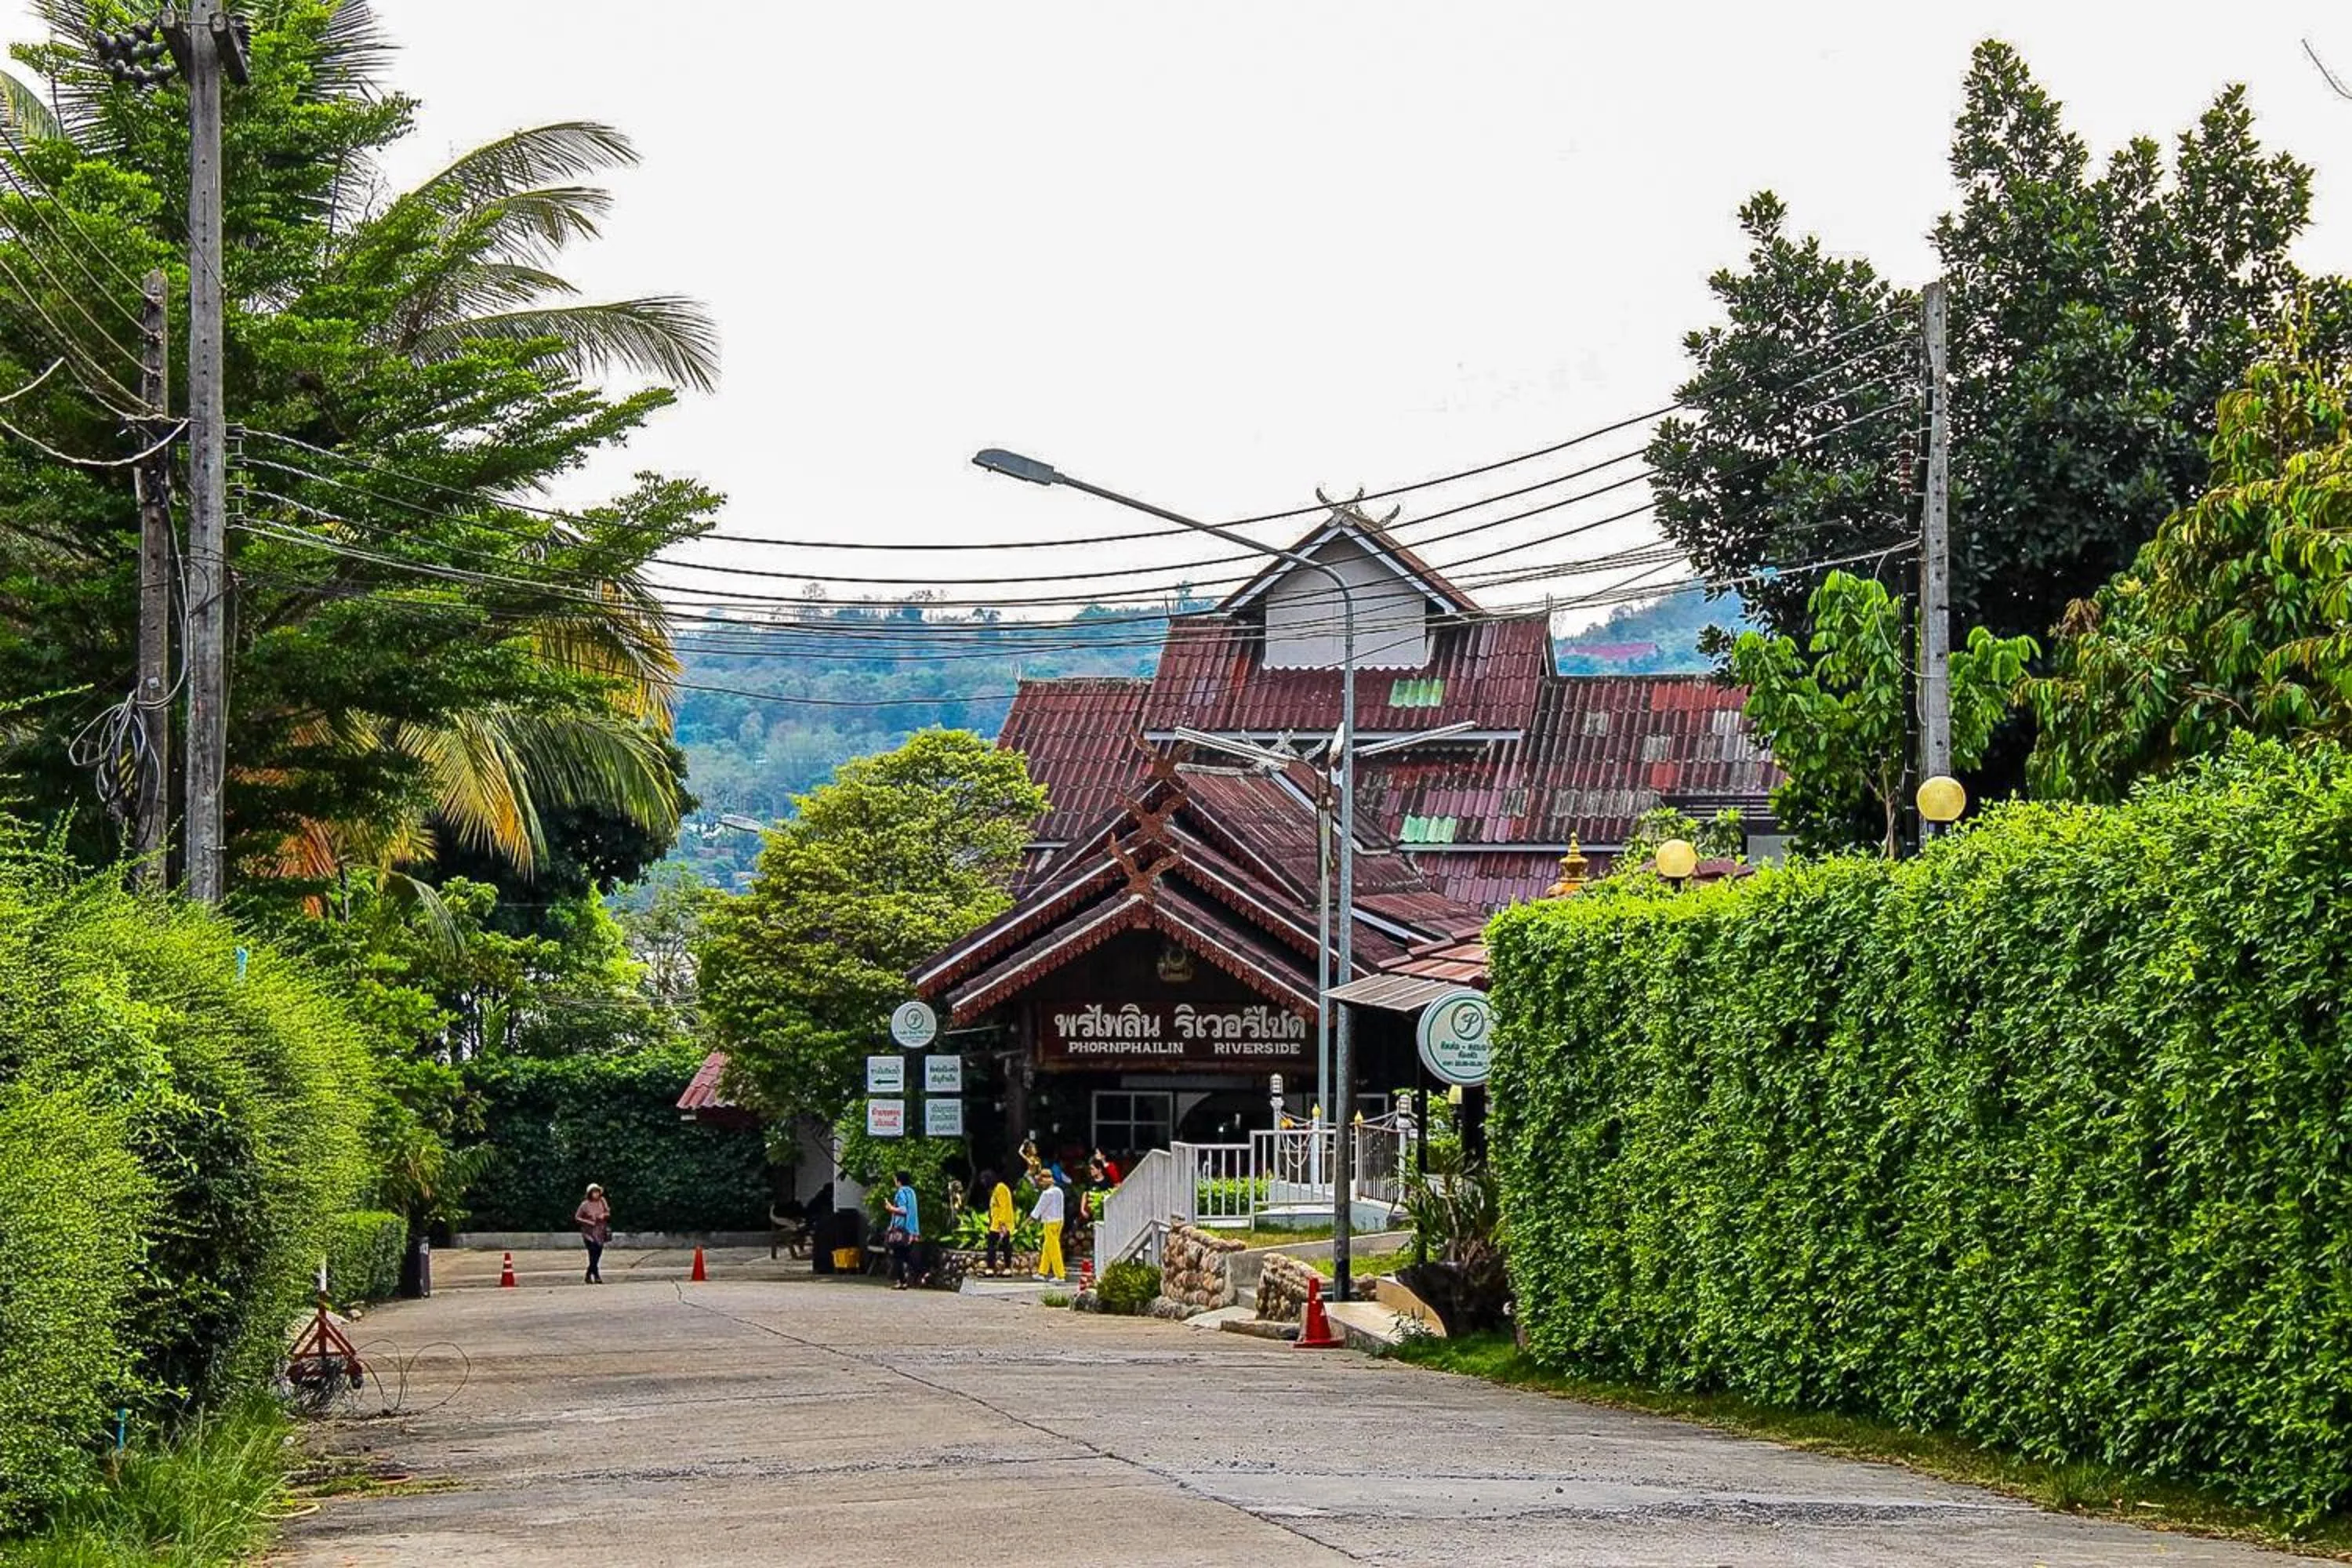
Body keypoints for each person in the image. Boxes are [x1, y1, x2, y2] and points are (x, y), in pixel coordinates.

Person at [884, 1169, 921, 1290]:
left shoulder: (901, 1192)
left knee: (897, 1256)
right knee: (906, 1255)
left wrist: (891, 1208)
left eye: (895, 1180)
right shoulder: (912, 1192)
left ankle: (902, 1281)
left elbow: (903, 1210)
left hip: (901, 1230)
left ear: (899, 1181)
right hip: (912, 1229)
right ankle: (918, 1276)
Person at [980, 1168, 1015, 1277]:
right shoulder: (996, 1189)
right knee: (1002, 1246)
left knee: (996, 1246)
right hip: (996, 1224)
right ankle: (1001, 1268)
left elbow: (1004, 1207)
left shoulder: (1000, 1189)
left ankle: (996, 1268)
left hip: (1000, 1225)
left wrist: (1003, 1225)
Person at [574, 1183, 612, 1284]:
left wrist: (603, 1216)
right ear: (590, 1193)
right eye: (594, 1192)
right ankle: (596, 1275)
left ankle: (588, 1274)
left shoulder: (602, 1201)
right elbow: (577, 1217)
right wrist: (588, 1222)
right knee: (593, 1253)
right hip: (589, 1233)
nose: (596, 1194)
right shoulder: (585, 1205)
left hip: (600, 1231)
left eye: (597, 1192)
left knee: (598, 1254)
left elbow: (608, 1213)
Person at [1030, 1177, 1065, 1283]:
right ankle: (1042, 1272)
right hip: (1059, 1221)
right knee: (1047, 1247)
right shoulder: (1059, 1191)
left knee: (1054, 1248)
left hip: (1050, 1222)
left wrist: (1032, 1217)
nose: (1041, 1184)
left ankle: (1060, 1275)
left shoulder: (1046, 1194)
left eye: (1041, 1181)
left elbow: (1039, 1207)